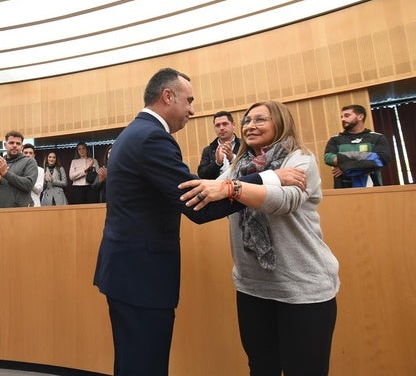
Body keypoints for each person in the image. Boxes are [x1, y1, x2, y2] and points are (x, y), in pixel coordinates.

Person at [93, 69, 306, 376]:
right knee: (144, 365)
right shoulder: (153, 137)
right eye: (189, 100)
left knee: (133, 362)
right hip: (141, 278)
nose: (193, 109)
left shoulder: (134, 132)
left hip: (128, 273)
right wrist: (270, 178)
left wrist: (229, 185)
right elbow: (198, 205)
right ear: (168, 96)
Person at [179, 100, 340, 376]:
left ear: (281, 122)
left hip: (303, 289)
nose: (250, 125)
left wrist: (231, 188)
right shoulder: (238, 166)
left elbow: (283, 201)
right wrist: (267, 177)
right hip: (252, 288)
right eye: (247, 121)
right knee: (261, 369)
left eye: (260, 120)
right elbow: (213, 195)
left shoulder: (300, 158)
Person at [324, 104, 391, 188]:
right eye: (341, 117)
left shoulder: (377, 137)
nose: (343, 119)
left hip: (372, 188)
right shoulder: (335, 139)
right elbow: (328, 158)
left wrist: (346, 167)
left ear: (360, 117)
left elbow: (381, 159)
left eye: (347, 116)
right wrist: (365, 162)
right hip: (343, 189)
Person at [0, 130, 38, 208]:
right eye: (11, 143)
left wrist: (6, 173)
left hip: (19, 212)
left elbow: (28, 185)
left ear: (22, 147)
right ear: (5, 145)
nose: (14, 145)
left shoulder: (30, 162)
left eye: (18, 143)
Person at [197, 110, 241, 179]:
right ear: (214, 128)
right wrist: (217, 163)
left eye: (225, 124)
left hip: (242, 187)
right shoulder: (208, 150)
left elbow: (252, 168)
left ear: (233, 125)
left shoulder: (244, 145)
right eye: (217, 125)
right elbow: (202, 175)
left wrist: (232, 158)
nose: (221, 128)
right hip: (217, 188)